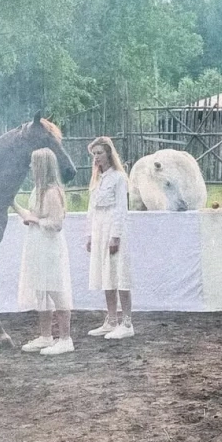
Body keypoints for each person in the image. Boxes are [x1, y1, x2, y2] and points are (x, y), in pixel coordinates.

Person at [15, 148, 74, 356]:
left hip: (50, 248)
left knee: (56, 291)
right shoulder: (37, 191)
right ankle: (45, 335)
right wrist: (13, 203)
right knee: (41, 290)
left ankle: (65, 338)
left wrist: (37, 221)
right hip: (37, 246)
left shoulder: (51, 192)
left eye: (34, 163)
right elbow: (31, 215)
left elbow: (56, 224)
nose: (30, 167)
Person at [86, 136, 134, 339]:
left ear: (108, 154)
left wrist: (115, 236)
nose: (96, 157)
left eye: (99, 153)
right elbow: (91, 209)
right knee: (106, 274)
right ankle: (111, 319)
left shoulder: (119, 178)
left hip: (114, 228)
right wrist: (89, 235)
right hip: (99, 228)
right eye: (94, 154)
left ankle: (127, 322)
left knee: (119, 273)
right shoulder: (97, 179)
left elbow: (121, 209)